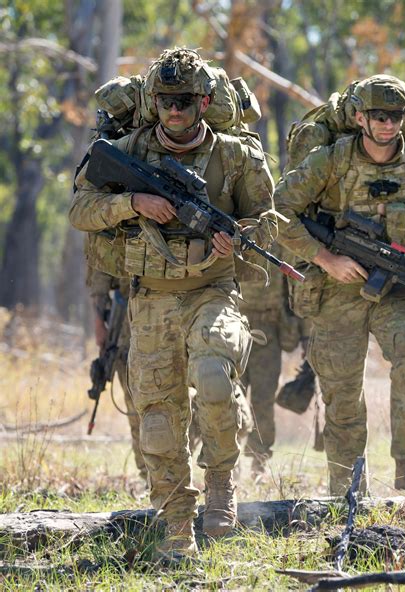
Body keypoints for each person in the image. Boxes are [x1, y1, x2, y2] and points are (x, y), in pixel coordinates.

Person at [70, 48, 275, 557]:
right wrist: (133, 203)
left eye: (185, 101)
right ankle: (177, 526)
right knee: (158, 421)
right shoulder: (129, 150)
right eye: (165, 101)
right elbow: (81, 208)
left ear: (205, 101)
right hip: (151, 300)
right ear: (152, 101)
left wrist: (239, 236)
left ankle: (221, 485)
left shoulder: (235, 156)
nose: (175, 111)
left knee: (211, 377)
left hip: (214, 291)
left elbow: (268, 224)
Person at [274, 75, 405, 495]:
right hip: (338, 288)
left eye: (395, 117)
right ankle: (347, 486)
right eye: (378, 116)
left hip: (399, 289)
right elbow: (279, 211)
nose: (387, 124)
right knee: (341, 385)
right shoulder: (330, 162)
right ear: (359, 117)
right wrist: (326, 259)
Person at [239, 243, 300, 478]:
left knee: (263, 400)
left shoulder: (280, 242)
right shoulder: (235, 230)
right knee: (229, 398)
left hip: (269, 329)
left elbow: (293, 289)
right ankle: (227, 462)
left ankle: (258, 462)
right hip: (234, 325)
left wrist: (302, 333)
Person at [87, 268, 148, 483]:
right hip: (126, 333)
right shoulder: (112, 235)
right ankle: (149, 478)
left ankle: (172, 479)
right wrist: (99, 325)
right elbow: (99, 278)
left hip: (164, 322)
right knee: (135, 411)